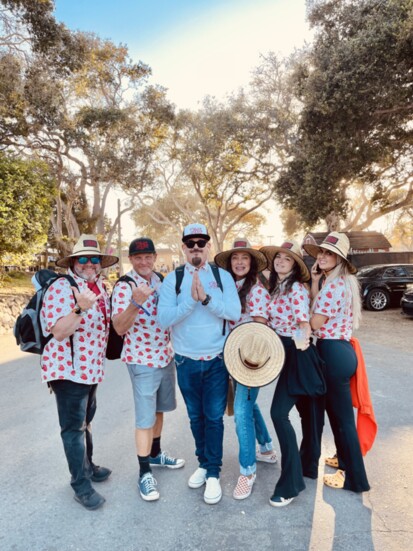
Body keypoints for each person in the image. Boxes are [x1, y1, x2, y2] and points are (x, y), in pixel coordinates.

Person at [157, 223, 241, 505]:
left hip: (217, 359)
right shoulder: (174, 279)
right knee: (196, 418)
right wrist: (189, 303)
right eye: (190, 243)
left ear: (208, 246)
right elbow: (164, 319)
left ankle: (214, 473)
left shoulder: (222, 276)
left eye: (201, 242)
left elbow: (233, 312)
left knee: (214, 417)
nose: (196, 247)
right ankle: (204, 464)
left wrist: (205, 298)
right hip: (186, 361)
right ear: (183, 246)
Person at [40, 234, 118, 510]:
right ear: (73, 262)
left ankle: (89, 466)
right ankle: (80, 486)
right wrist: (78, 308)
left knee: (86, 422)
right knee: (73, 429)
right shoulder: (62, 287)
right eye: (82, 259)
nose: (89, 264)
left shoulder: (99, 288)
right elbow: (59, 332)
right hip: (68, 371)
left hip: (91, 370)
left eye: (94, 259)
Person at [111, 237, 184, 502]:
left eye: (148, 257)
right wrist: (135, 302)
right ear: (131, 260)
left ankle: (155, 454)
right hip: (141, 360)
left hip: (165, 356)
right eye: (138, 258)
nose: (144, 262)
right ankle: (144, 473)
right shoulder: (124, 286)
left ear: (154, 257)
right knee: (144, 418)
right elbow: (119, 327)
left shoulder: (161, 281)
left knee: (159, 410)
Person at [303, 231, 370, 492]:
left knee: (342, 419)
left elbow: (315, 322)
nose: (322, 256)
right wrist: (316, 281)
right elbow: (320, 304)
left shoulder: (335, 286)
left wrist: (296, 323)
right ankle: (342, 459)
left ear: (340, 259)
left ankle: (353, 477)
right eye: (321, 251)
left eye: (329, 253)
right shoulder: (339, 282)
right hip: (338, 350)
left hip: (332, 352)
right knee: (335, 414)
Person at [214, 238, 277, 500]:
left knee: (241, 412)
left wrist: (247, 358)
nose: (239, 262)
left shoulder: (256, 290)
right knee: (248, 404)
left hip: (251, 360)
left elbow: (260, 328)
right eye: (235, 258)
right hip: (232, 357)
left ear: (251, 263)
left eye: (245, 258)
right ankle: (266, 448)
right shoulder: (230, 288)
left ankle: (247, 471)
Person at [260, 240, 321, 507]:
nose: (281, 261)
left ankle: (290, 484)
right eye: (278, 258)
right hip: (284, 352)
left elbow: (302, 323)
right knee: (307, 414)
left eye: (287, 258)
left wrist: (299, 347)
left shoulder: (295, 288)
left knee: (278, 413)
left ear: (296, 264)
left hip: (297, 352)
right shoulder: (276, 288)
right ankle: (306, 469)